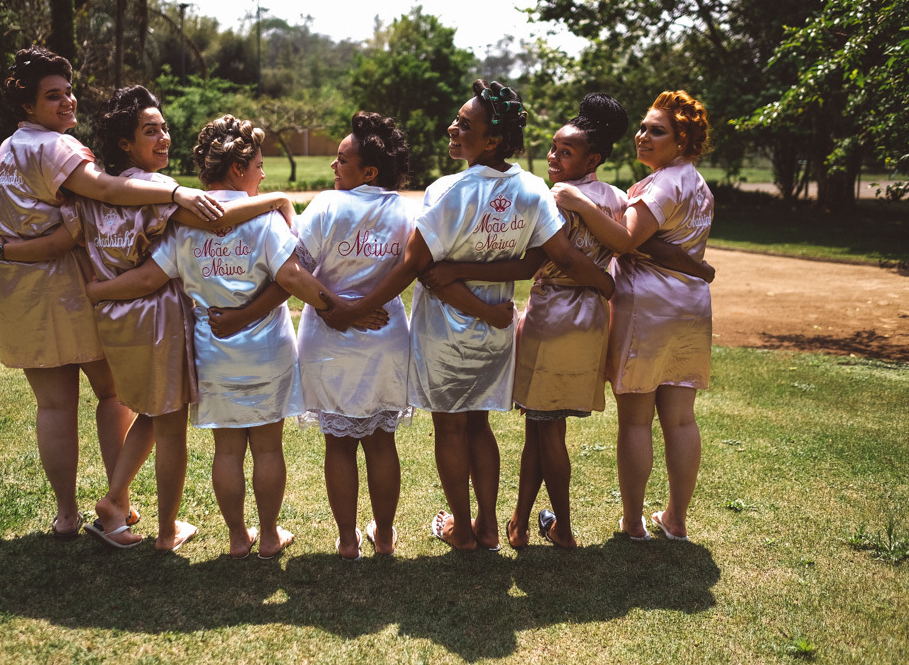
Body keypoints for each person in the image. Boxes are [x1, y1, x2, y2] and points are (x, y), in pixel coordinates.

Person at [0, 85, 297, 550]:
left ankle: (114, 501)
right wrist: (274, 199)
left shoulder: (91, 188)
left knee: (150, 415)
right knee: (168, 422)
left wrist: (7, 249)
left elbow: (63, 238)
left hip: (113, 321)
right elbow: (219, 218)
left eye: (165, 129)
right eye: (150, 130)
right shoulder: (157, 191)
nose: (164, 138)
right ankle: (162, 528)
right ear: (125, 142)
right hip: (157, 319)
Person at [322, 81, 615, 552]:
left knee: (451, 428)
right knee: (480, 425)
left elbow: (418, 265)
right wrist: (603, 280)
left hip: (444, 332)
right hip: (495, 330)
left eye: (464, 124)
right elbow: (545, 256)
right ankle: (489, 526)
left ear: (492, 140)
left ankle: (462, 527)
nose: (452, 128)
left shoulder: (447, 190)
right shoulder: (533, 189)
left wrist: (356, 307)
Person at [421, 93, 712, 550]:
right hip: (593, 319)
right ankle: (524, 520)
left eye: (565, 152)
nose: (554, 158)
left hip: (554, 313)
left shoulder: (561, 197)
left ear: (591, 156)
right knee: (546, 424)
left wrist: (602, 281)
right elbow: (639, 244)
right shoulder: (620, 196)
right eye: (553, 150)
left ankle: (563, 527)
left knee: (547, 426)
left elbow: (543, 258)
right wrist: (691, 266)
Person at [0, 47, 224, 539]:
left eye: (68, 92)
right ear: (28, 105)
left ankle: (68, 514)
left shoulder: (7, 150)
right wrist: (176, 192)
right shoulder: (57, 148)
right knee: (113, 394)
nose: (68, 102)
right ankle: (119, 506)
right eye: (54, 96)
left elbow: (23, 230)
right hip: (74, 290)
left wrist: (8, 252)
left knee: (53, 406)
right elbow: (111, 193)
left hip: (20, 293)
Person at [85, 114, 336, 559]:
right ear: (239, 170)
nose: (262, 175)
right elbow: (292, 276)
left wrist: (98, 290)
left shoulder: (185, 224)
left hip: (212, 352)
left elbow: (147, 278)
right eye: (259, 166)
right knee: (267, 446)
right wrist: (338, 307)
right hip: (267, 351)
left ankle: (238, 539)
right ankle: (270, 536)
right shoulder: (263, 220)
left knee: (227, 449)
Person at [554, 89, 714, 542]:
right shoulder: (696, 183)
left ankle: (632, 522)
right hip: (690, 309)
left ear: (681, 141)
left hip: (647, 307)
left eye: (656, 131)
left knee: (637, 419)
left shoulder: (663, 183)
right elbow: (667, 244)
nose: (643, 136)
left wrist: (580, 202)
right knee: (682, 418)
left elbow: (627, 240)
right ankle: (677, 520)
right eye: (643, 127)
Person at [293, 112, 414, 559]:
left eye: (342, 160)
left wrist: (335, 310)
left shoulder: (326, 206)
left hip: (328, 337)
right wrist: (354, 309)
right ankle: (384, 537)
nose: (333, 167)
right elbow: (416, 269)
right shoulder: (406, 211)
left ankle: (347, 541)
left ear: (369, 171)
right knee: (382, 440)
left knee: (338, 443)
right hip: (385, 334)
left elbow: (294, 270)